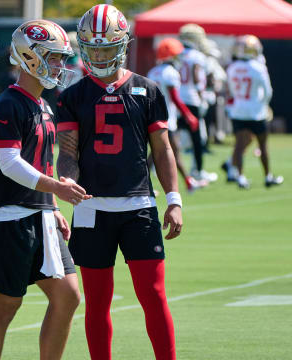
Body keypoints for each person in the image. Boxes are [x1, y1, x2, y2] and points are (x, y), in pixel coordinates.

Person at [56, 5, 182, 360]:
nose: (98, 54)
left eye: (106, 47)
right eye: (92, 47)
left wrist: (174, 199)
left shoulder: (148, 89)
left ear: (122, 45)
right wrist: (67, 181)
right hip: (91, 207)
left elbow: (163, 149)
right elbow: (67, 152)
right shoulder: (72, 95)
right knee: (96, 302)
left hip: (138, 204)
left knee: (154, 295)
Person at [0, 20, 83, 360]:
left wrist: (51, 206)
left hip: (39, 214)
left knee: (68, 295)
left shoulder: (44, 104)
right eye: (52, 58)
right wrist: (56, 190)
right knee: (5, 305)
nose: (59, 66)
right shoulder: (9, 103)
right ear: (30, 57)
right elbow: (9, 164)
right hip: (9, 217)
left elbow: (43, 163)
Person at [148, 38, 207, 193]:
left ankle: (188, 181)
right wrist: (188, 115)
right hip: (166, 119)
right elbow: (175, 97)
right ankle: (186, 182)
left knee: (163, 152)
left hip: (152, 118)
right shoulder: (171, 72)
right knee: (168, 152)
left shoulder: (153, 71)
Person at [225, 35, 283, 189]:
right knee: (262, 145)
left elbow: (230, 90)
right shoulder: (258, 67)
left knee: (238, 145)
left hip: (238, 109)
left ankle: (240, 177)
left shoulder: (232, 67)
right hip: (256, 111)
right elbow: (267, 91)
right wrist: (263, 105)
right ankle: (268, 176)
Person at [177, 23, 217, 183]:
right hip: (191, 99)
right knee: (197, 139)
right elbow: (198, 79)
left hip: (176, 100)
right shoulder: (197, 56)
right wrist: (202, 96)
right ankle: (198, 170)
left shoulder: (177, 53)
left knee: (168, 137)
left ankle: (152, 168)